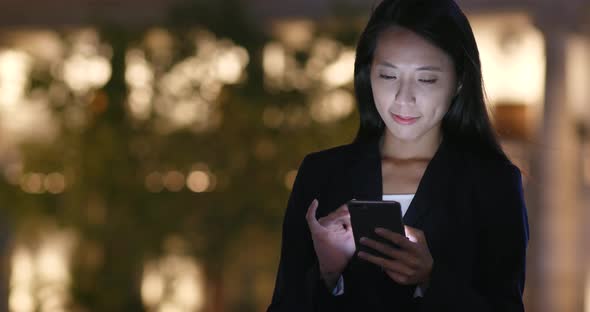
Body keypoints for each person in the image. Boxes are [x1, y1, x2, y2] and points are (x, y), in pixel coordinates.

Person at [267, 0, 529, 311]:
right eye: (388, 76)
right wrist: (328, 272)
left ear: (459, 80)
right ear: (368, 75)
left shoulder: (492, 183)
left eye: (426, 79)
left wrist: (431, 279)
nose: (404, 98)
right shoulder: (322, 174)